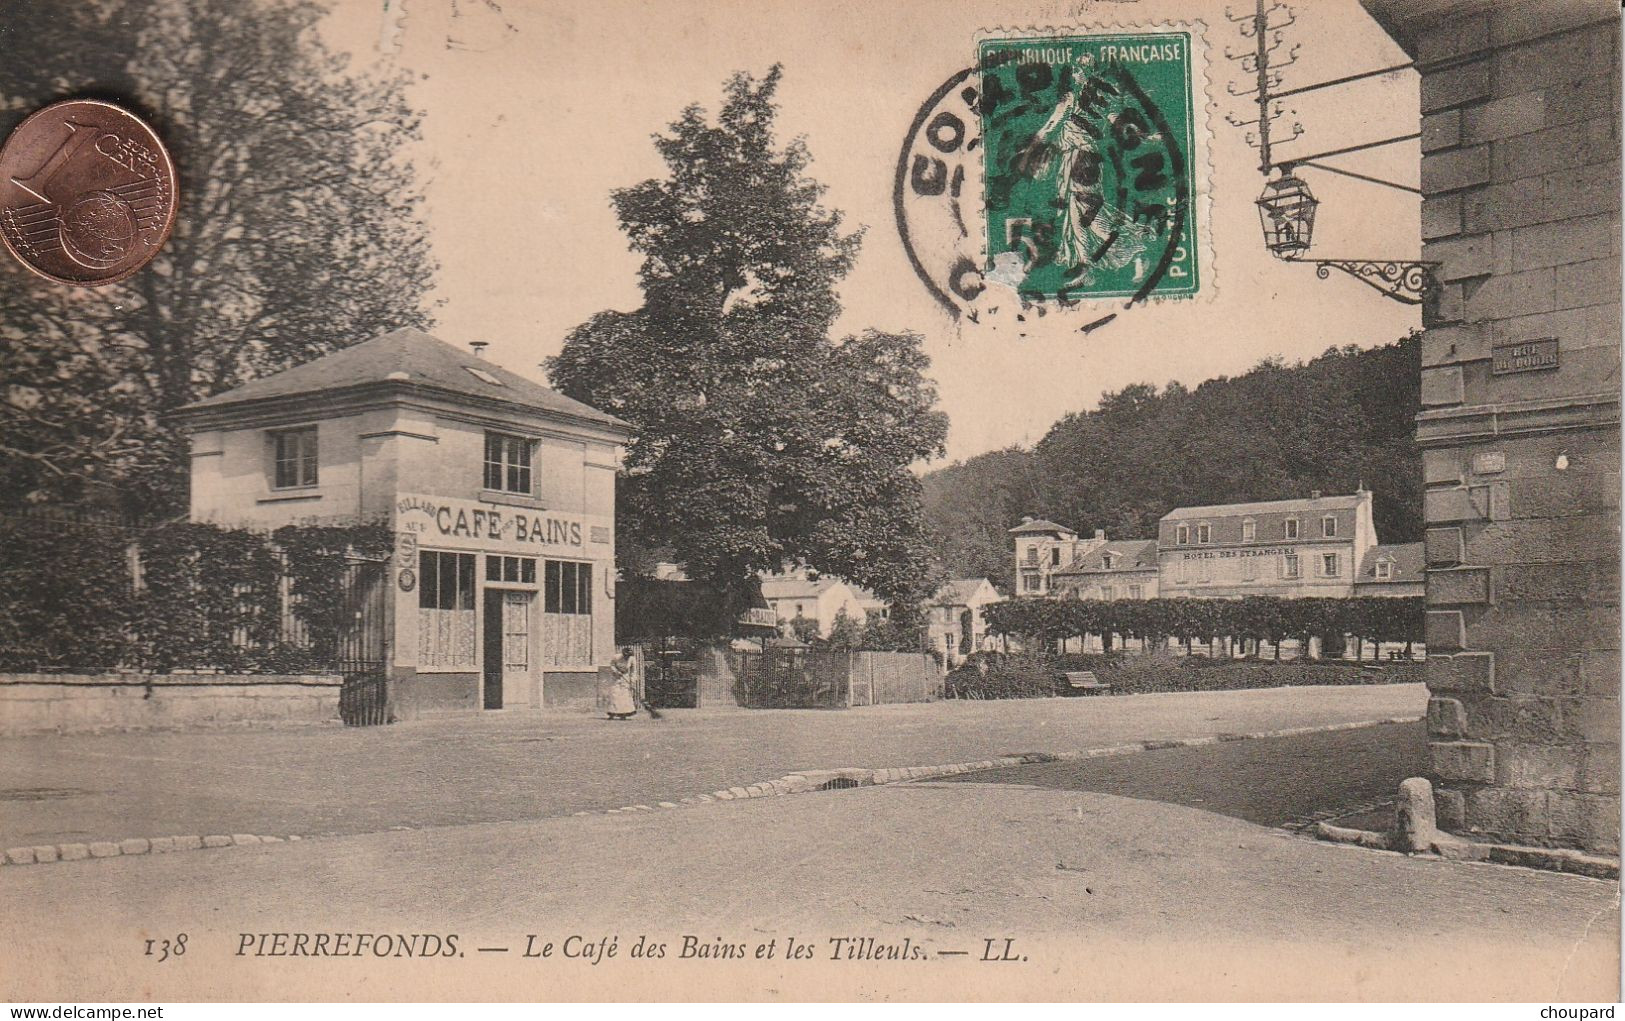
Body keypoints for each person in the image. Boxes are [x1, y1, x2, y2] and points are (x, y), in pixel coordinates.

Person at [607, 646, 638, 720]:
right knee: (615, 694)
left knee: (625, 696)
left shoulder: (632, 659)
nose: (627, 658)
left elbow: (634, 671)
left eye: (628, 656)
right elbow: (612, 665)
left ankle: (623, 714)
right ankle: (612, 713)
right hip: (615, 678)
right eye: (626, 656)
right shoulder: (616, 657)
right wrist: (616, 672)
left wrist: (632, 681)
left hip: (625, 678)